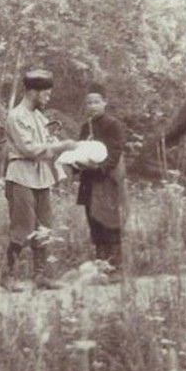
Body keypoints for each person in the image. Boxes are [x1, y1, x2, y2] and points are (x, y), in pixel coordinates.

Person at [2, 68, 77, 292]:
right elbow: (30, 149)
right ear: (34, 92)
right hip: (21, 176)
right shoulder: (16, 116)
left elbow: (49, 147)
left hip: (41, 177)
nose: (48, 97)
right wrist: (61, 145)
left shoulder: (39, 116)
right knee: (23, 229)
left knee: (44, 228)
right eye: (46, 94)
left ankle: (40, 276)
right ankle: (7, 276)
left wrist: (74, 154)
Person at [76, 86, 128, 280]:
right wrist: (75, 163)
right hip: (89, 182)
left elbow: (115, 152)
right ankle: (101, 269)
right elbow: (79, 150)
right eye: (89, 102)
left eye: (96, 101)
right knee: (94, 224)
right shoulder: (85, 127)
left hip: (107, 182)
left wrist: (100, 168)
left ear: (105, 102)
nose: (92, 106)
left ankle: (116, 269)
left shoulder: (113, 125)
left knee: (110, 223)